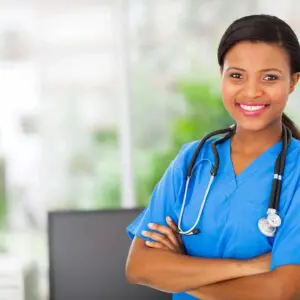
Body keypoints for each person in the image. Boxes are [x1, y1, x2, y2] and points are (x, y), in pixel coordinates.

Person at [125, 14, 300, 299]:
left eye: (269, 77)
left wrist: (177, 274)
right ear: (222, 76)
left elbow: (282, 290)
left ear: (293, 82)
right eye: (236, 76)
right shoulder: (192, 160)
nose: (252, 91)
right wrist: (248, 267)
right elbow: (139, 266)